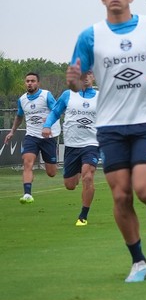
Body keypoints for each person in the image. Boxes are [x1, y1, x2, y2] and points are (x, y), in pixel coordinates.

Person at [65, 0, 146, 283]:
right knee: (120, 196)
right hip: (110, 124)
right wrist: (73, 79)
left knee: (145, 190)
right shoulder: (90, 36)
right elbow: (77, 80)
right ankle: (138, 261)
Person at [43, 70, 98, 225]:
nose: (85, 78)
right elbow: (55, 112)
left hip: (92, 143)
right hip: (72, 145)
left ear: (93, 77)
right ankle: (81, 168)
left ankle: (83, 216)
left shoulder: (101, 97)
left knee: (88, 176)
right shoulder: (68, 95)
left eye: (88, 74)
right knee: (70, 185)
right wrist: (47, 125)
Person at [4, 72, 61, 204]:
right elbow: (19, 116)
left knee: (51, 173)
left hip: (48, 136)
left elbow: (57, 110)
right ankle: (27, 194)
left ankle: (31, 178)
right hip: (31, 136)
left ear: (38, 83)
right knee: (27, 163)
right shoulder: (22, 99)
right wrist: (12, 131)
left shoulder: (46, 95)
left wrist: (49, 120)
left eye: (32, 81)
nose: (30, 83)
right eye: (27, 81)